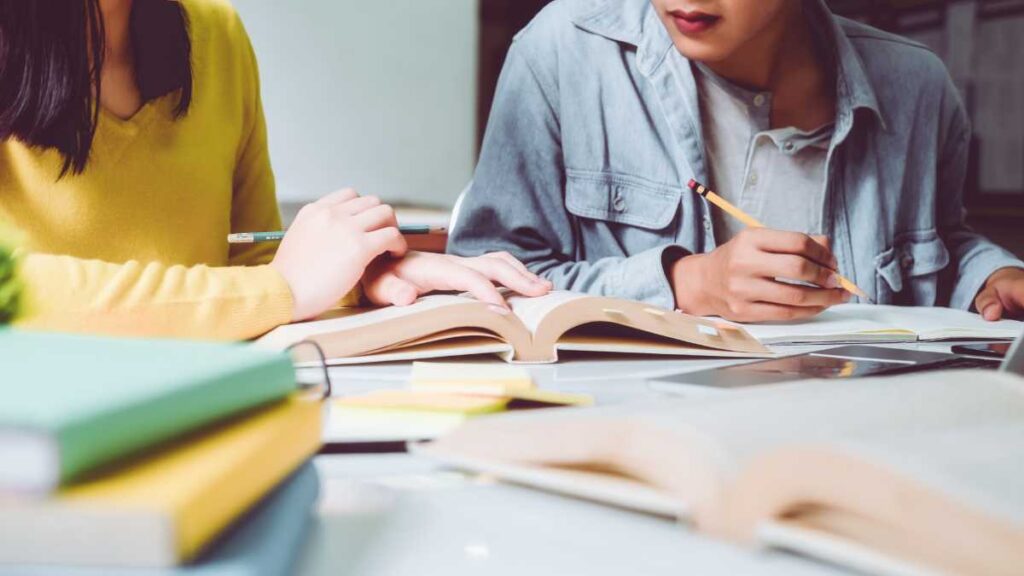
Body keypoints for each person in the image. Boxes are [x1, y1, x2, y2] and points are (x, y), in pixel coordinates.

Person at [0, 0, 549, 340]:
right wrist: (281, 289)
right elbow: (13, 294)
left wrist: (363, 278)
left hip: (200, 418)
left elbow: (256, 264)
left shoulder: (216, 34)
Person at [449, 0, 1024, 322]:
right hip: (641, 447)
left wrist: (987, 278)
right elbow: (477, 285)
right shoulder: (561, 53)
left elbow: (942, 244)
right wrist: (685, 284)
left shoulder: (917, 85)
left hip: (859, 450)